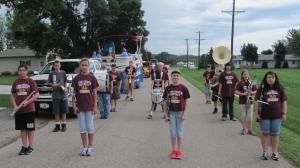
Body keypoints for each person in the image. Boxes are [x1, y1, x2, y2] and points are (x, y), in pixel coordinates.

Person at [255, 71, 287, 161]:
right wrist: (257, 114)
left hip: (277, 116)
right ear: (266, 78)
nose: (271, 79)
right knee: (265, 133)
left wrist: (284, 113)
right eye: (269, 77)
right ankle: (265, 152)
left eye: (272, 77)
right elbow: (257, 101)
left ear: (275, 79)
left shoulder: (280, 88)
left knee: (275, 134)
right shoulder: (261, 89)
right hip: (264, 115)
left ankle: (274, 153)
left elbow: (284, 102)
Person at [72, 58, 99, 156]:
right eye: (82, 65)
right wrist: (74, 105)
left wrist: (95, 105)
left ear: (88, 66)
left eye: (86, 65)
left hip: (89, 106)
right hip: (80, 107)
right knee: (82, 128)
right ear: (80, 66)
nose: (84, 67)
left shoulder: (92, 78)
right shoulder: (76, 78)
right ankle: (85, 147)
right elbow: (73, 93)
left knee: (90, 128)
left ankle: (90, 147)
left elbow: (95, 92)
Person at [11, 65, 39, 155]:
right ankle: (24, 146)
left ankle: (30, 147)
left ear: (26, 71)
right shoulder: (16, 82)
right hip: (19, 110)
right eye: (20, 70)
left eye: (23, 70)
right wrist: (15, 106)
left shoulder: (31, 81)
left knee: (30, 129)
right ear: (18, 71)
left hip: (29, 110)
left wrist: (28, 102)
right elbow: (12, 94)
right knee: (22, 129)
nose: (22, 72)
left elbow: (36, 94)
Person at [163, 70, 190, 159]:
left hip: (180, 113)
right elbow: (165, 102)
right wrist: (165, 115)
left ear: (179, 77)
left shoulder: (183, 88)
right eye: (174, 75)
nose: (175, 77)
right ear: (171, 77)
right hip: (171, 113)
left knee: (179, 133)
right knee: (173, 133)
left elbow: (187, 101)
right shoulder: (168, 88)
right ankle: (173, 150)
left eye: (177, 75)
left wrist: (185, 113)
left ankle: (179, 151)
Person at [48, 60, 69, 132]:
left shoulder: (63, 72)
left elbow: (65, 81)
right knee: (56, 111)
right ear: (54, 66)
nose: (57, 67)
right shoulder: (51, 73)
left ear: (60, 66)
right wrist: (53, 85)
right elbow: (49, 82)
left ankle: (64, 125)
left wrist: (65, 88)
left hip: (63, 95)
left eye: (58, 65)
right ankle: (57, 125)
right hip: (55, 95)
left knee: (64, 111)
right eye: (55, 65)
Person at [235, 70, 257, 135]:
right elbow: (236, 92)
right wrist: (244, 93)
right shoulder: (240, 83)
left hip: (250, 102)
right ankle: (244, 129)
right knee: (244, 116)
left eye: (247, 74)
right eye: (244, 74)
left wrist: (251, 92)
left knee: (250, 117)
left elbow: (256, 90)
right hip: (242, 102)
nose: (246, 76)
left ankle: (250, 130)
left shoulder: (252, 82)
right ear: (242, 75)